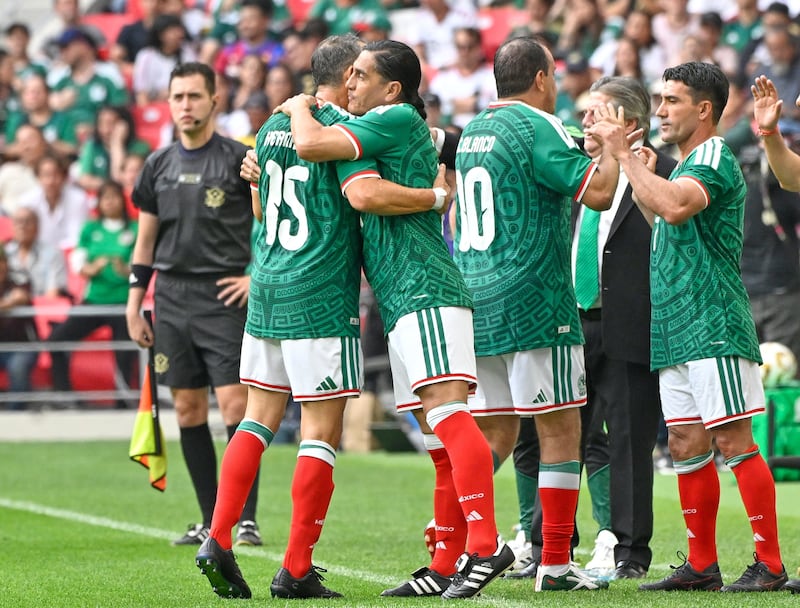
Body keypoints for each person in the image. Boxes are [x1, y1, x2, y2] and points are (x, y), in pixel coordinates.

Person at [195, 34, 458, 600]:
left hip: (268, 282)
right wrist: (436, 198)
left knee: (257, 420)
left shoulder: (269, 128)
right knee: (320, 431)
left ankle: (217, 537)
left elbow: (265, 205)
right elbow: (363, 196)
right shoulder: (341, 129)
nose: (362, 82)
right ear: (345, 78)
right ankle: (294, 567)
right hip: (320, 292)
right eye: (358, 73)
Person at [278, 39, 513, 599]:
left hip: (426, 285)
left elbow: (333, 168)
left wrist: (295, 107)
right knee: (437, 438)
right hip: (400, 293)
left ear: (391, 88)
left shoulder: (389, 117)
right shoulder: (390, 126)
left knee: (451, 413)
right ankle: (444, 561)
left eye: (361, 75)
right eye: (349, 74)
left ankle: (487, 546)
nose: (351, 82)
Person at [589, 61, 788, 593]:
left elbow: (676, 209)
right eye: (659, 99)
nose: (659, 111)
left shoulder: (715, 154)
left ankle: (770, 563)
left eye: (671, 101)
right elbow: (665, 222)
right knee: (683, 442)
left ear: (704, 108)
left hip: (711, 320)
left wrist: (627, 158)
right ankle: (702, 565)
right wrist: (640, 168)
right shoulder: (681, 166)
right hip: (674, 324)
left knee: (733, 439)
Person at [452, 35, 621, 593]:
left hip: (477, 298)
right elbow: (596, 194)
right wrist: (612, 152)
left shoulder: (476, 128)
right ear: (543, 78)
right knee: (561, 428)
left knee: (493, 431)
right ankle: (553, 564)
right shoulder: (537, 124)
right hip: (535, 301)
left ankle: (456, 545)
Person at [125, 61, 262, 547]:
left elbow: (269, 222)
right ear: (168, 102)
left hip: (223, 295)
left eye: (194, 96)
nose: (186, 105)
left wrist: (254, 275)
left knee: (234, 405)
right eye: (178, 97)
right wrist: (135, 301)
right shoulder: (156, 164)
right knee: (186, 410)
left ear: (214, 100)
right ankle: (211, 519)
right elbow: (145, 242)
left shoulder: (239, 159)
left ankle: (245, 518)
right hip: (173, 299)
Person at [571, 76, 675, 579]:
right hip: (572, 320)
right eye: (587, 112)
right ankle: (552, 544)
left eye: (598, 113)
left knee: (630, 439)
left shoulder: (662, 172)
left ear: (630, 124)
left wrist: (636, 174)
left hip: (630, 320)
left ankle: (631, 553)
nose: (586, 120)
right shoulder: (576, 173)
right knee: (564, 436)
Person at [47, 181, 137, 404]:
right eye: (105, 197)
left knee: (125, 353)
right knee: (57, 340)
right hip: (94, 300)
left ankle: (123, 402)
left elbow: (140, 266)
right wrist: (90, 268)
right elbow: (78, 262)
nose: (110, 201)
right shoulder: (91, 228)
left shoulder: (134, 228)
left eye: (114, 196)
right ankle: (64, 396)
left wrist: (124, 270)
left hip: (123, 303)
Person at [0, 247, 38, 411]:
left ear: (5, 263)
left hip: (22, 345)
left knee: (18, 366)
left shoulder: (19, 277)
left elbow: (21, 296)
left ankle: (15, 413)